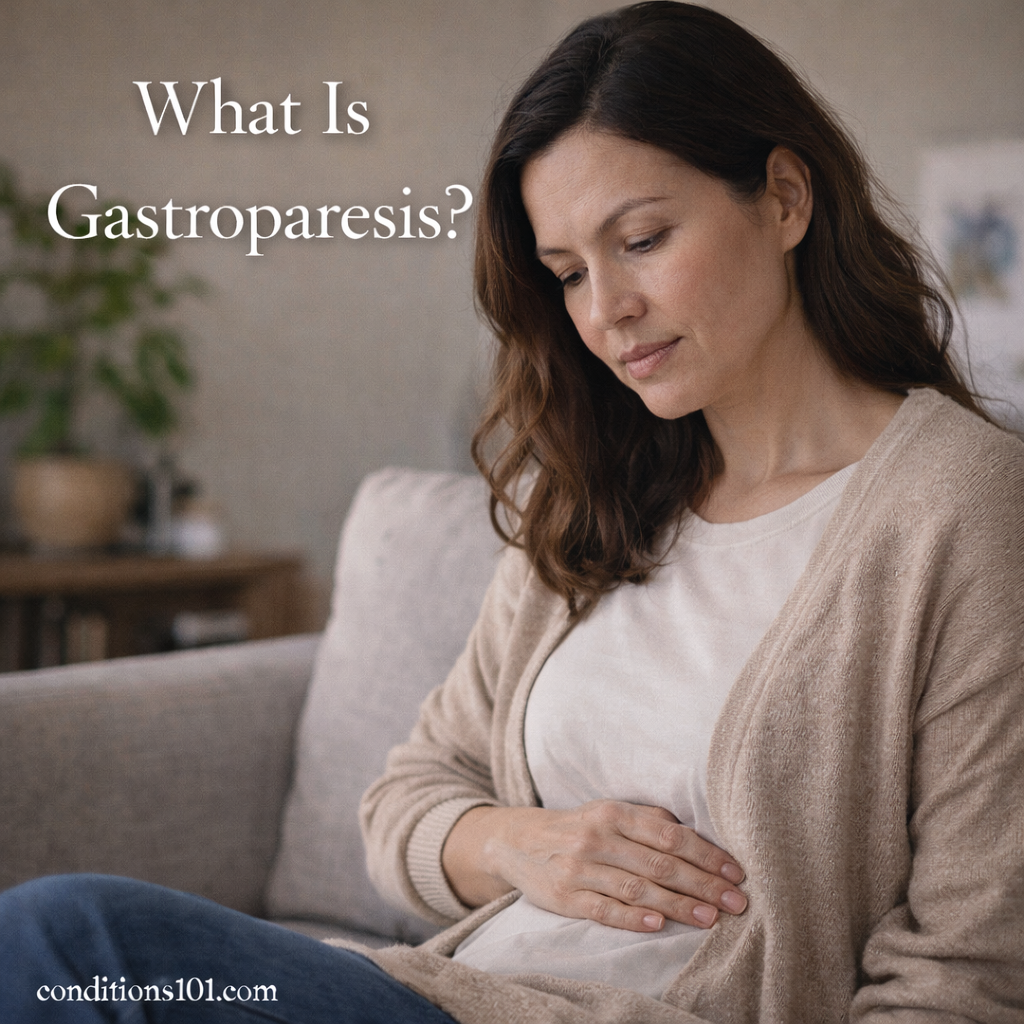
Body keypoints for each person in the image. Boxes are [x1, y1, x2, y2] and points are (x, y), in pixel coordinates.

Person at [2, 3, 1022, 1022]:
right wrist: (520, 843)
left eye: (643, 239)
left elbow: (965, 972)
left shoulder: (959, 508)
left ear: (785, 197)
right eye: (569, 273)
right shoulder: (596, 495)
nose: (604, 310)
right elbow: (404, 799)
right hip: (441, 990)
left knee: (68, 939)